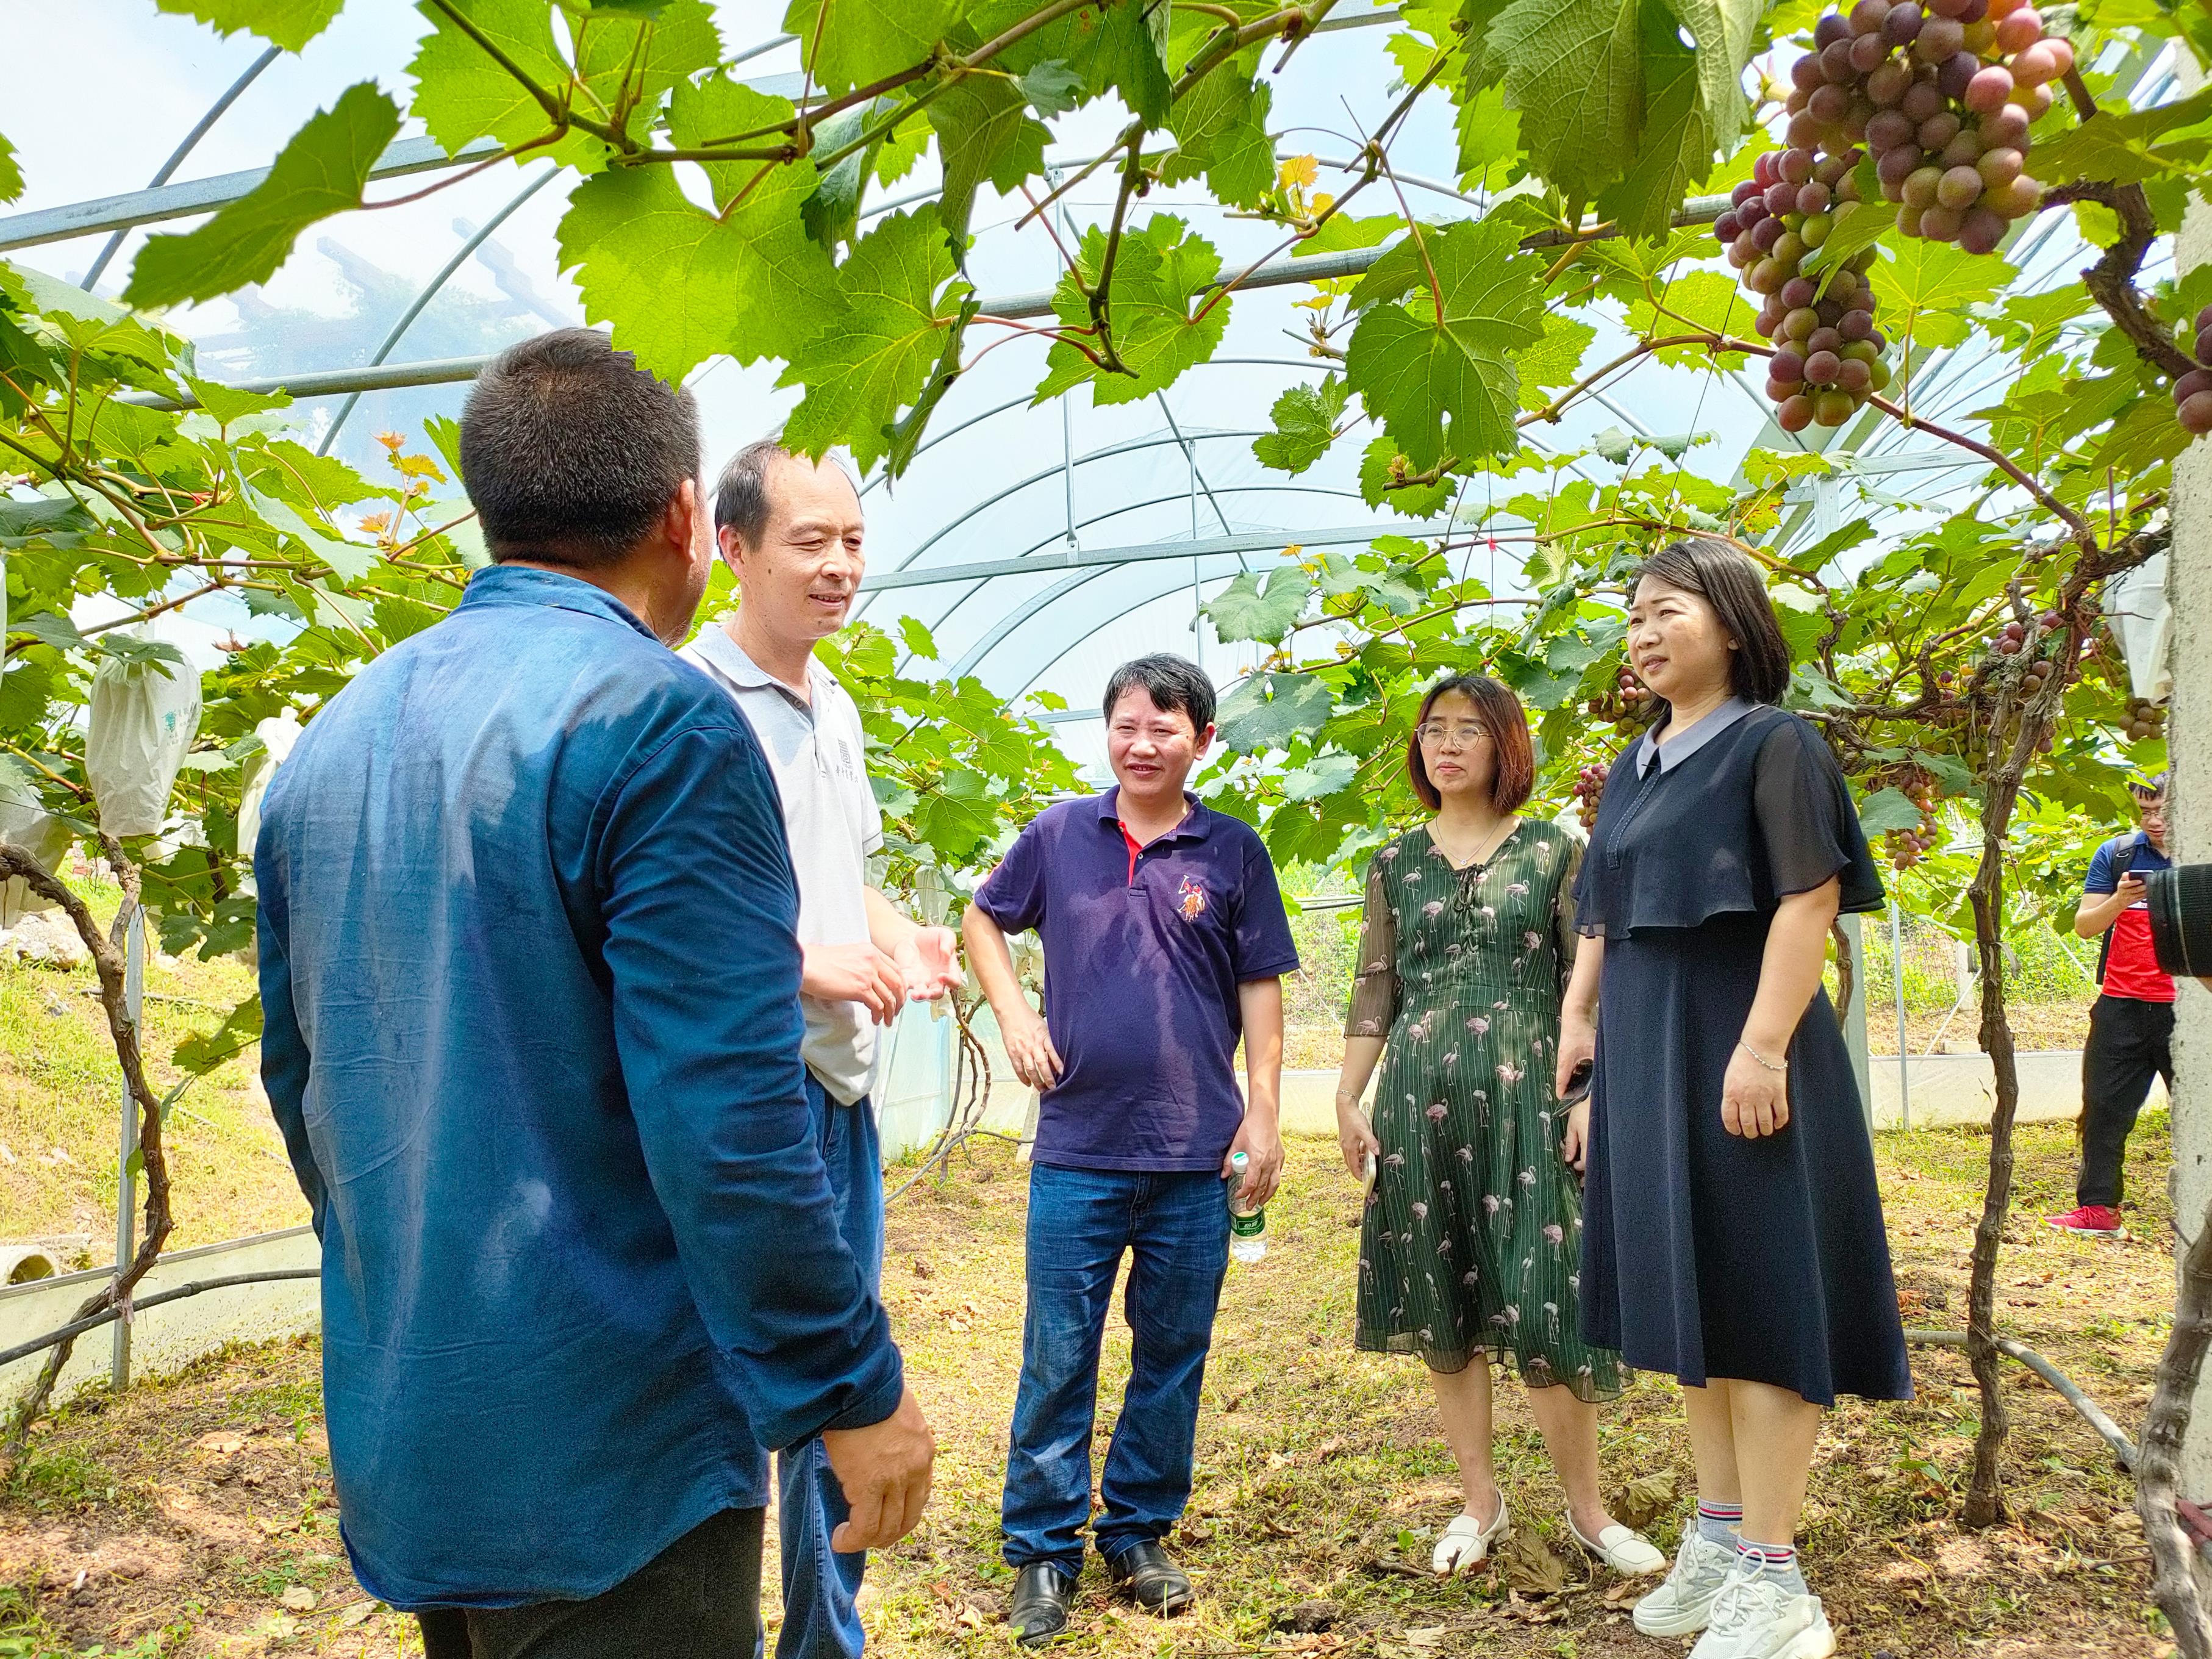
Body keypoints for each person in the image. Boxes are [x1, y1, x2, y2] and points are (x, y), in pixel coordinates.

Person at [255, 330, 934, 1658]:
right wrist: (849, 1384)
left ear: (489, 509)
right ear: (690, 518)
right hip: (616, 1448)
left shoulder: (332, 741)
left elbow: (305, 1095)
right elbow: (729, 1120)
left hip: (418, 1419)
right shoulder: (663, 725)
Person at [1560, 537, 1908, 1659]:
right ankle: (1717, 1537)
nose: (1644, 634)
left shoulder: (1776, 744)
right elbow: (1605, 915)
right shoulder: (1635, 763)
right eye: (1633, 620)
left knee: (1761, 1296)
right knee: (1690, 1300)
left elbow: (1808, 903)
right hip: (1650, 1050)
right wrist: (1580, 1025)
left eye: (1666, 610)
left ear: (1730, 619)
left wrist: (1762, 1048)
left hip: (1742, 1045)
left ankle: (1778, 1577)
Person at [679, 437, 959, 1659]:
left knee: (836, 1374)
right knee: (758, 1377)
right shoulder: (688, 707)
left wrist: (901, 938)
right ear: (731, 547)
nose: (840, 565)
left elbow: (840, 882)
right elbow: (673, 918)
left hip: (835, 1092)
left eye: (851, 540)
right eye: (811, 541)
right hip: (749, 1096)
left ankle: (820, 1635)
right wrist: (803, 960)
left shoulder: (831, 703)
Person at [962, 654, 1299, 1645]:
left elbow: (1261, 988)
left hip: (1195, 1154)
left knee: (1172, 1352)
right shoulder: (1060, 835)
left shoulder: (1231, 852)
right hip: (1076, 1149)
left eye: (1164, 728)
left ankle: (1138, 1532)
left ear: (1203, 742)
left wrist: (1263, 1110)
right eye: (1125, 725)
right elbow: (984, 918)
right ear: (1104, 733)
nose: (1141, 744)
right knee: (1057, 1352)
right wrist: (1015, 1014)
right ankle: (1042, 1550)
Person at [1333, 675, 1664, 1581]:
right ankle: (1479, 1502)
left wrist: (1596, 1092)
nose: (1445, 745)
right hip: (1418, 1103)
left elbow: (1594, 986)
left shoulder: (1556, 851)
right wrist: (1345, 1097)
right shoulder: (1393, 861)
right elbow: (1375, 989)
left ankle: (1588, 1512)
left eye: (1468, 731)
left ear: (1502, 746)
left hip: (1533, 1100)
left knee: (1547, 1297)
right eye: (1432, 730)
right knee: (1443, 1297)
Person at [2048, 773, 2174, 1238]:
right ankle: (2098, 1209)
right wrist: (2120, 900)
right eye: (2145, 812)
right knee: (2102, 1108)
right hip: (2120, 1005)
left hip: (2187, 1009)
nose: (2154, 822)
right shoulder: (2117, 854)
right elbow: (2084, 926)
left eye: (2162, 810)